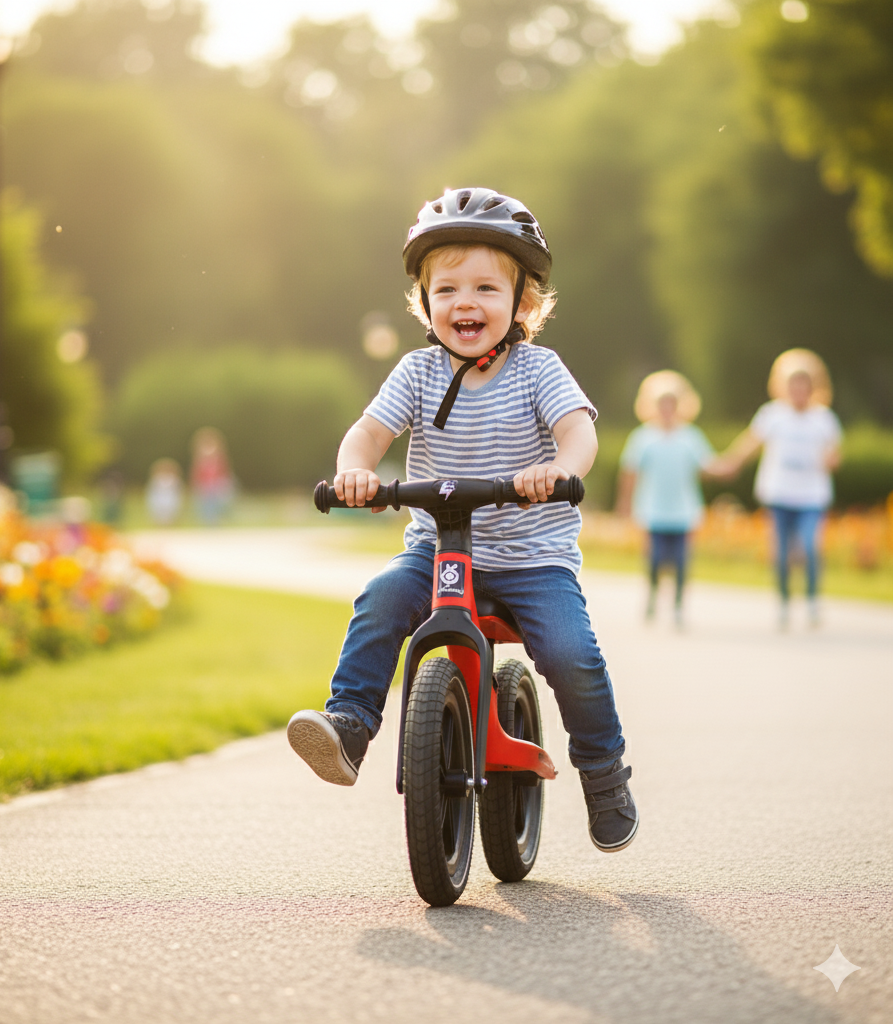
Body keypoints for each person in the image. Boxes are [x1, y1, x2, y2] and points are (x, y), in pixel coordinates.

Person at [286, 188, 638, 853]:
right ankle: (351, 726)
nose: (465, 303)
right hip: (438, 547)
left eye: (484, 288)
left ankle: (603, 771)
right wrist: (356, 471)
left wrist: (558, 469)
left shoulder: (539, 369)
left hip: (533, 556)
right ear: (424, 303)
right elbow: (366, 435)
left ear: (523, 304)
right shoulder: (416, 372)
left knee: (571, 653)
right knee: (383, 596)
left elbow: (578, 435)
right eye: (446, 289)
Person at [721, 349, 842, 628]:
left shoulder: (824, 419)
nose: (799, 390)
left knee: (810, 547)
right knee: (783, 552)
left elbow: (835, 454)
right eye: (793, 384)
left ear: (814, 386)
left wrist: (831, 460)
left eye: (804, 384)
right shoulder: (772, 415)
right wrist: (730, 462)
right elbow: (751, 443)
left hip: (812, 495)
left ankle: (812, 599)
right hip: (779, 492)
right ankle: (785, 602)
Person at [616, 371, 730, 627]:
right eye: (662, 404)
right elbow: (630, 472)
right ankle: (654, 595)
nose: (667, 409)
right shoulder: (642, 437)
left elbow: (707, 464)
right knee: (655, 560)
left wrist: (729, 466)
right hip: (653, 510)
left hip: (684, 511)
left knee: (680, 562)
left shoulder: (690, 436)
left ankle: (678, 605)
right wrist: (624, 503)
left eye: (672, 404)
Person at [190, 428, 234, 524]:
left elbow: (225, 473)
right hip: (204, 486)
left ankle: (220, 518)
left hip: (217, 485)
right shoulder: (199, 461)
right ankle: (209, 521)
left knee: (219, 501)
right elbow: (196, 475)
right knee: (206, 504)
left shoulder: (219, 460)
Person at [145, 458, 184, 526]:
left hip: (171, 499)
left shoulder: (175, 480)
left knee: (170, 515)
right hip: (159, 499)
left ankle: (169, 527)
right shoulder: (156, 479)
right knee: (159, 516)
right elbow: (152, 492)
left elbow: (178, 491)